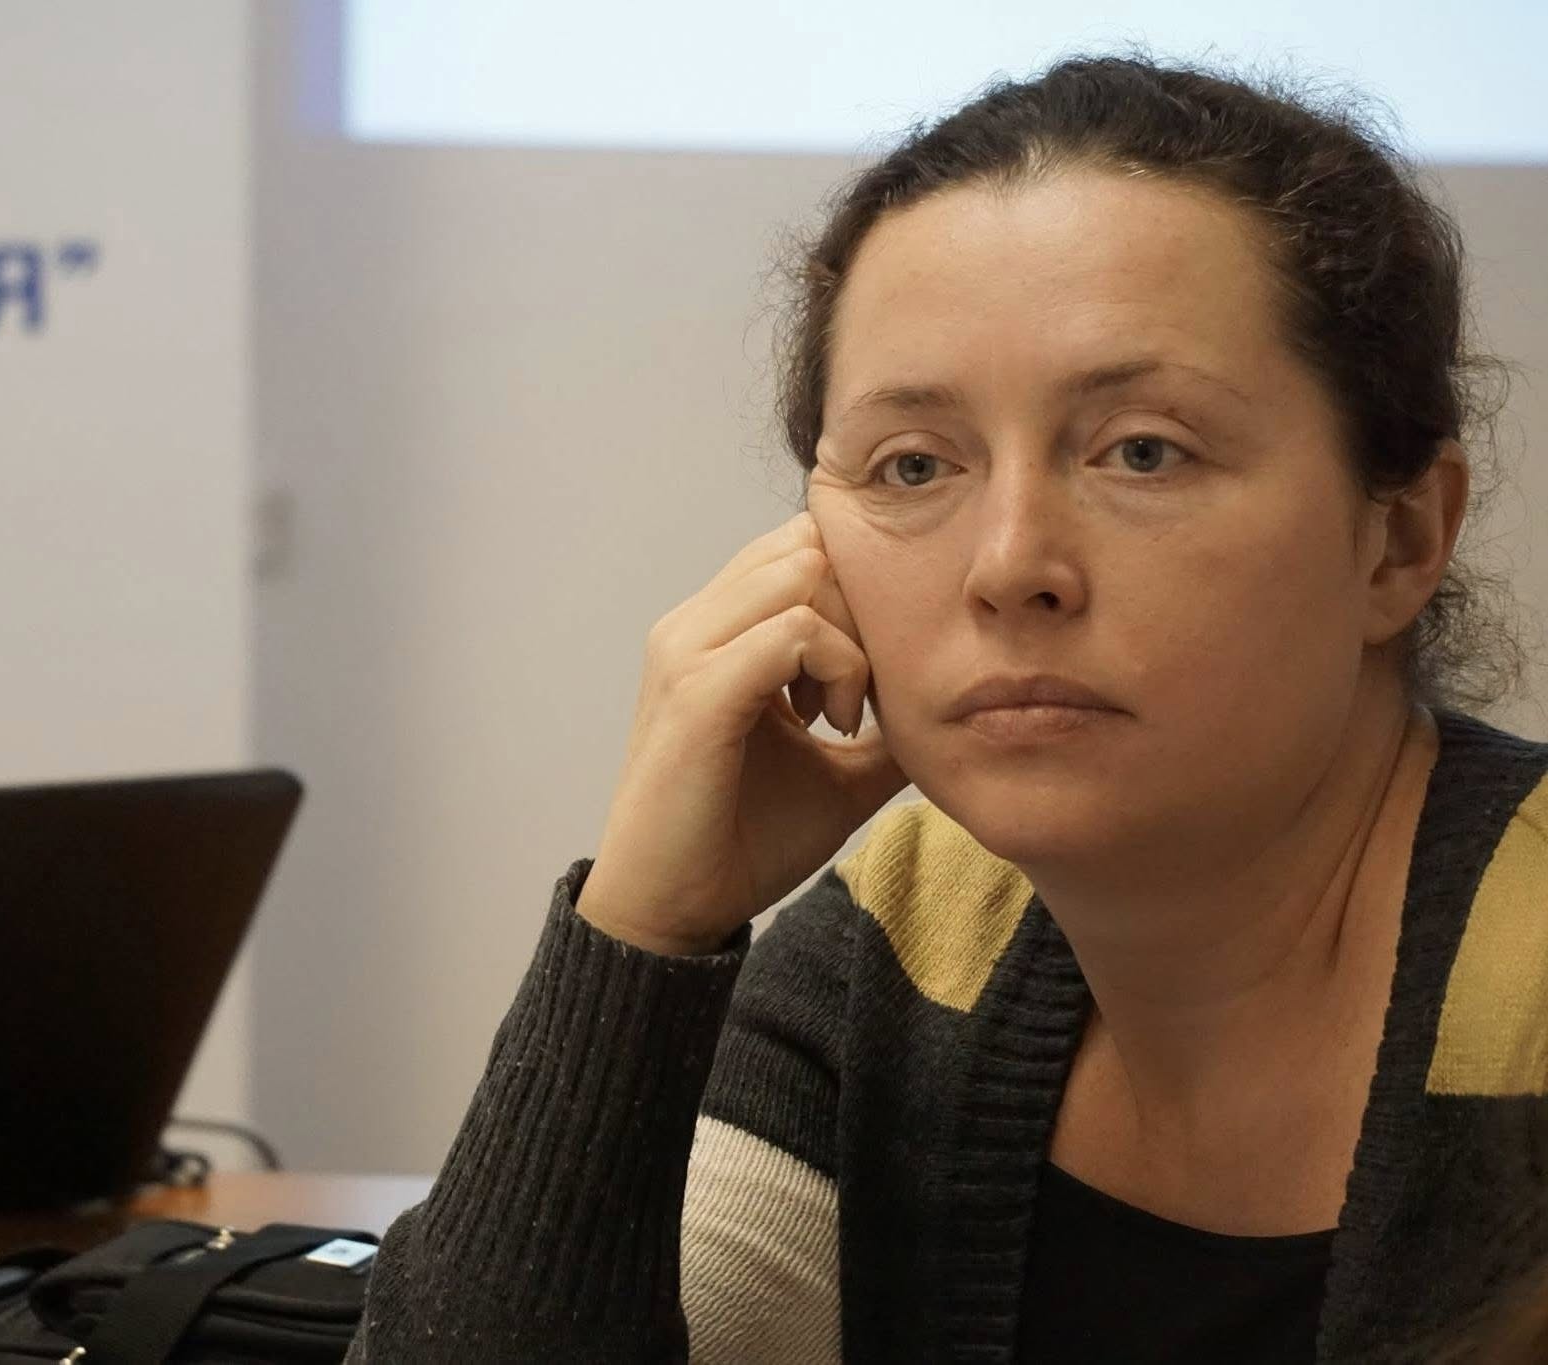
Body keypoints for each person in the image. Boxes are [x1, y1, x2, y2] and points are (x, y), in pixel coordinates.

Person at [343, 52, 1548, 1364]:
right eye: (913, 466)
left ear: (1399, 539)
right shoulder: (918, 932)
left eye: (1143, 450)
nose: (1009, 563)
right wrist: (643, 928)